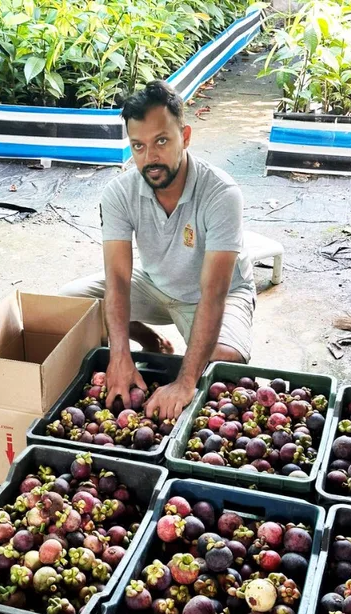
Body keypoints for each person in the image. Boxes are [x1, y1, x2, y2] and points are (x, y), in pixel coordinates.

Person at [58, 79, 256, 421]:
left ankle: (190, 362)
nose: (150, 157)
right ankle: (153, 340)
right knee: (68, 305)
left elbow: (214, 292)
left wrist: (184, 381)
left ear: (186, 136)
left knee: (222, 361)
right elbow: (118, 277)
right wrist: (121, 353)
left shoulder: (221, 193)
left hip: (209, 293)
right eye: (138, 146)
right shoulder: (120, 193)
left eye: (161, 141)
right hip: (153, 282)